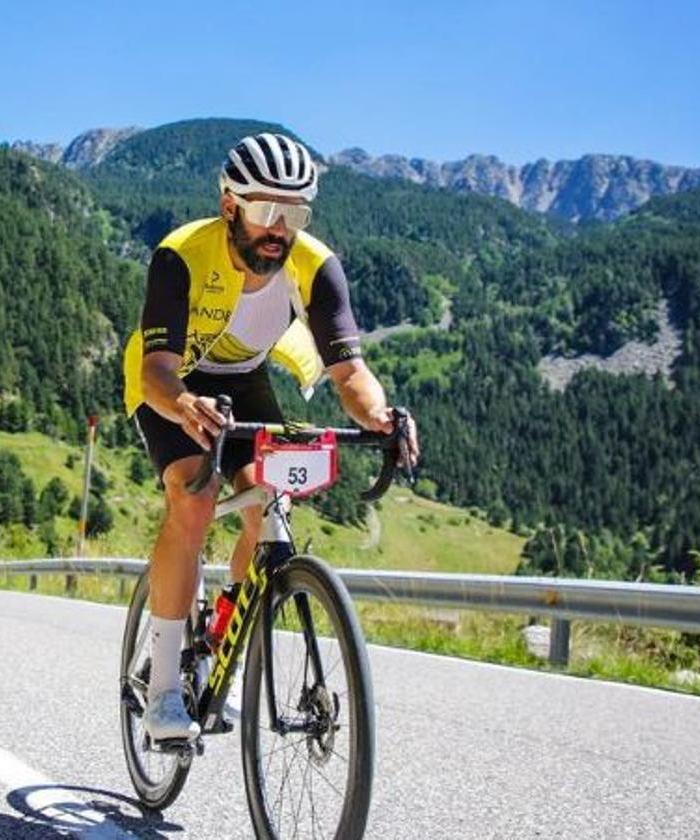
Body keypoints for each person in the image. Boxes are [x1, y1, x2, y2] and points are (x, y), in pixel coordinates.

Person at [121, 133, 420, 741]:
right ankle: (163, 691)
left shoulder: (315, 265)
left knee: (268, 499)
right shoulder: (181, 253)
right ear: (230, 205)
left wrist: (382, 417)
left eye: (295, 214)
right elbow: (156, 370)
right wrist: (182, 404)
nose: (279, 229)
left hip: (243, 379)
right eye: (265, 211)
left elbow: (349, 372)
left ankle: (219, 635)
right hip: (168, 381)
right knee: (193, 496)